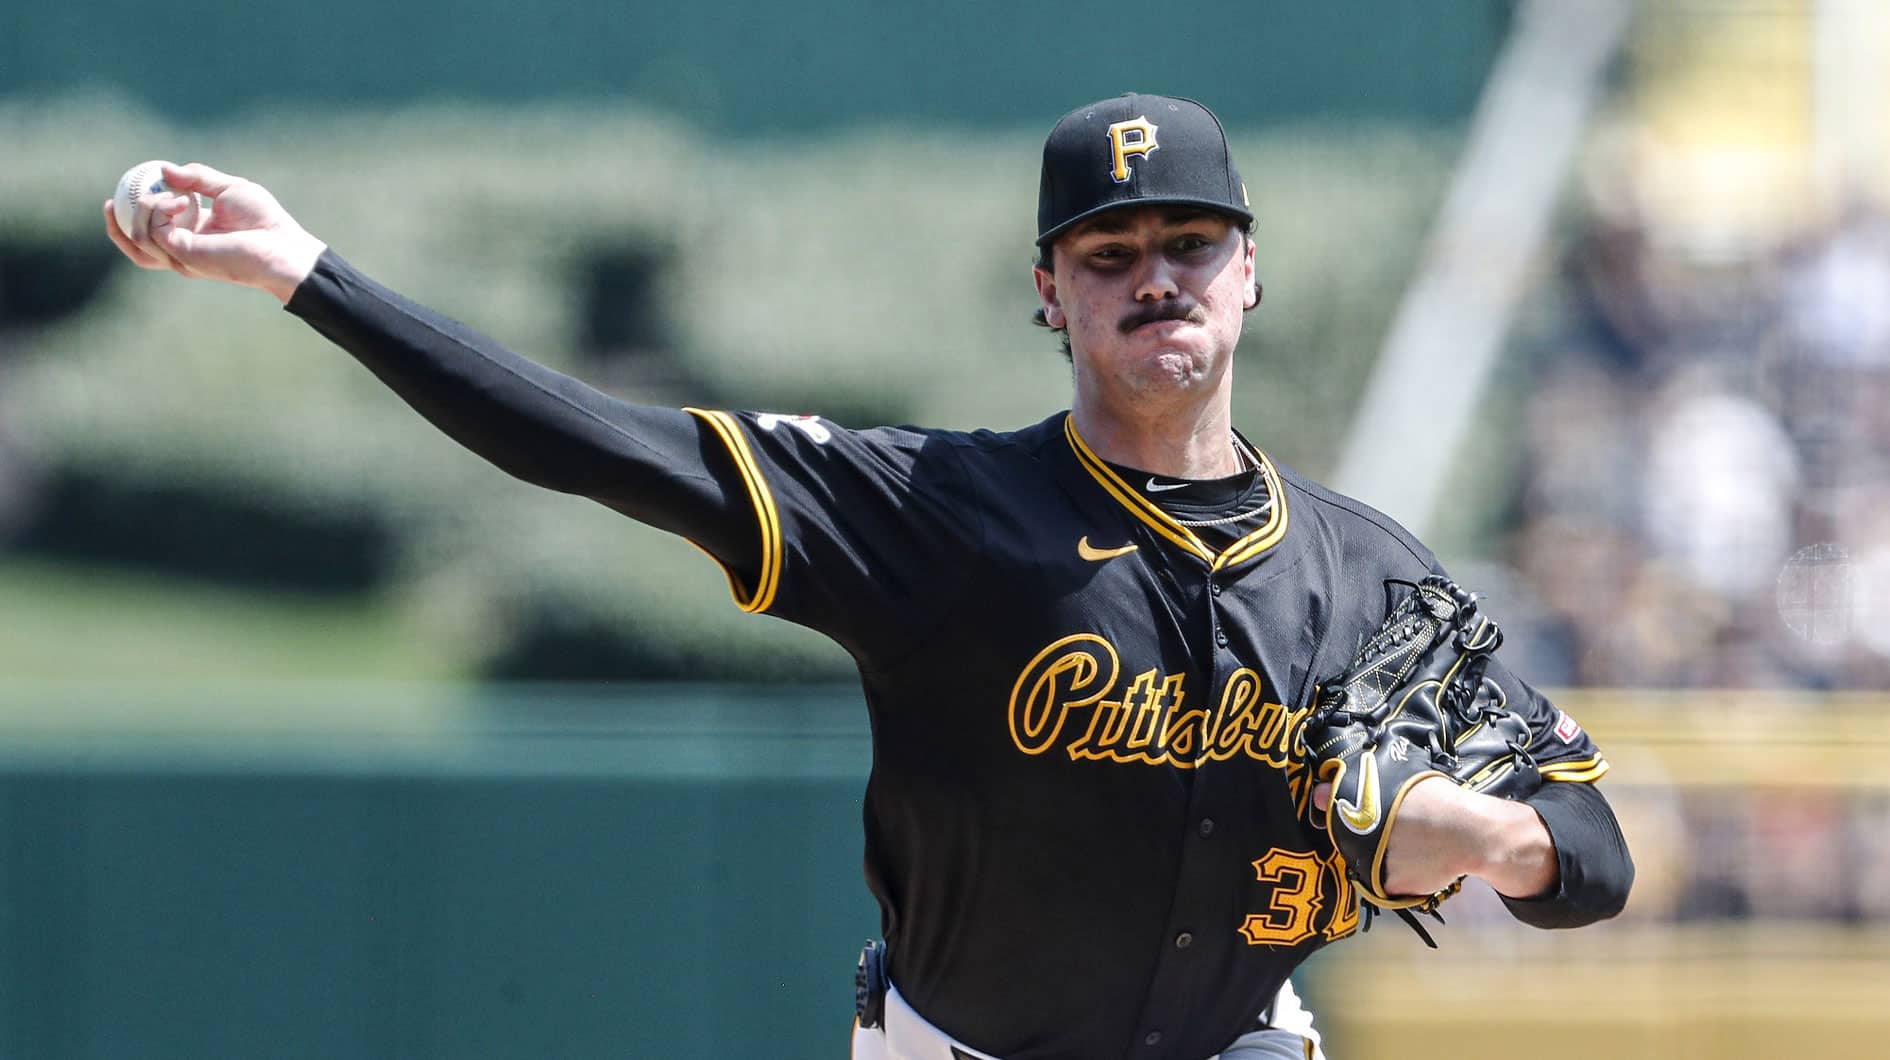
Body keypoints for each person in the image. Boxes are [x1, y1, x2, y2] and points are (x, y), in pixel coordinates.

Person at [103, 93, 1633, 1060]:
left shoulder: (1365, 578)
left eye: (1187, 240)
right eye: (1107, 254)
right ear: (1049, 294)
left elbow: (1594, 855)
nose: (1152, 275)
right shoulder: (934, 509)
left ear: (1248, 269)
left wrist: (1486, 835)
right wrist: (310, 273)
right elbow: (589, 443)